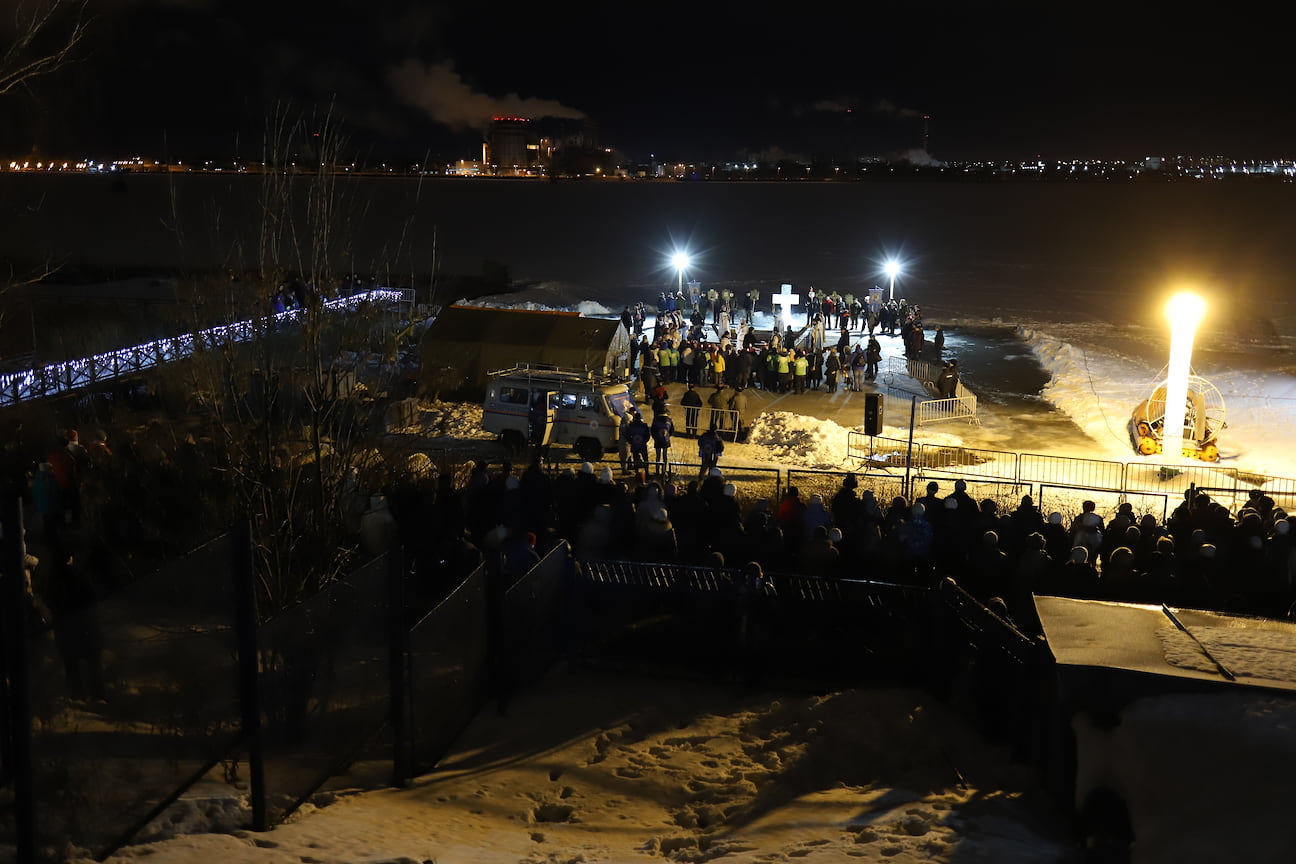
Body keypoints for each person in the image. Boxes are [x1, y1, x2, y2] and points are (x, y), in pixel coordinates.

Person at [649, 407, 674, 476]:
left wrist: (655, 438)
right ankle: (664, 470)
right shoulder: (669, 420)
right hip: (666, 440)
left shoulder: (656, 420)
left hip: (658, 440)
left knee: (658, 456)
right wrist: (668, 436)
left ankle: (657, 470)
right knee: (665, 456)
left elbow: (653, 431)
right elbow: (672, 430)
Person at [626, 411, 650, 475]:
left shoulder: (631, 426)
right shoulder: (644, 425)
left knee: (635, 459)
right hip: (642, 445)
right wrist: (644, 441)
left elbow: (628, 436)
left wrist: (631, 442)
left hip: (634, 445)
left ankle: (637, 472)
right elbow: (647, 435)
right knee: (645, 459)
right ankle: (647, 471)